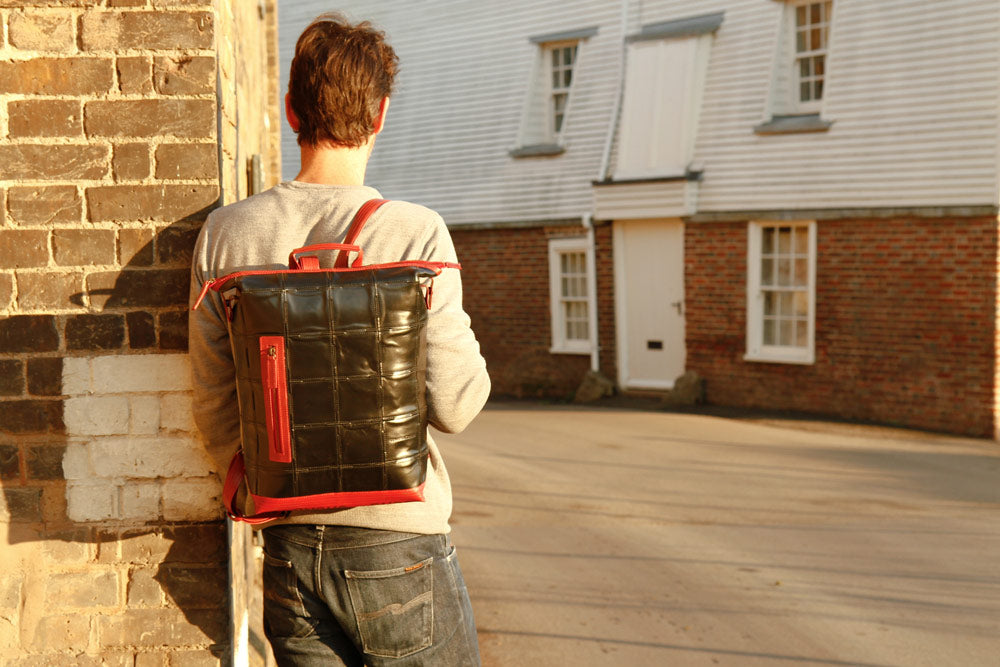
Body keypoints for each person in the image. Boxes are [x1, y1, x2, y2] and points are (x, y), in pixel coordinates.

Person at [188, 13, 490, 666]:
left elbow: (214, 402)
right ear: (380, 114)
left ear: (292, 112)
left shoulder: (226, 235)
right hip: (399, 546)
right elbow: (458, 405)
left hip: (289, 556)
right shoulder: (417, 234)